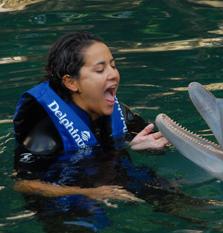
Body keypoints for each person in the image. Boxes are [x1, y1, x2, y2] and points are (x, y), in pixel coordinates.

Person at [13, 32, 170, 203]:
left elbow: (158, 141)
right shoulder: (45, 128)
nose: (113, 75)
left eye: (113, 65)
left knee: (167, 194)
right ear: (71, 82)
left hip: (110, 175)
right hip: (64, 189)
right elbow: (24, 184)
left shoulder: (119, 112)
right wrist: (88, 193)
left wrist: (137, 146)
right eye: (100, 69)